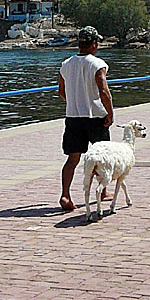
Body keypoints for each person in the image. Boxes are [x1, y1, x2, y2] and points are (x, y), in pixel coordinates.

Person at [58, 26, 114, 211]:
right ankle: (103, 192)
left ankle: (65, 195)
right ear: (94, 44)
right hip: (95, 117)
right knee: (102, 157)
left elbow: (61, 92)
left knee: (72, 158)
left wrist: (75, 101)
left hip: (73, 117)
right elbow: (104, 91)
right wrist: (110, 113)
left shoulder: (66, 64)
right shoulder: (97, 64)